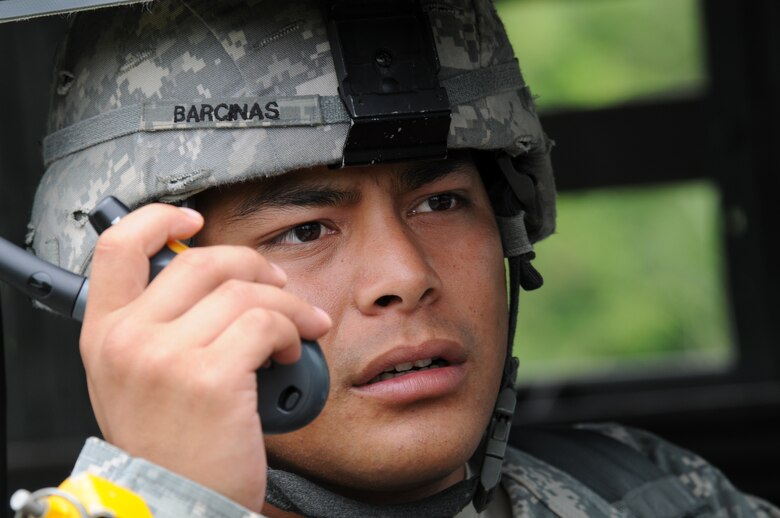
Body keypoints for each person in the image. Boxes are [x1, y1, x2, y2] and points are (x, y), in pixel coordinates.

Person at [20, 0, 779, 516]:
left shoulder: (656, 495)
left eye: (441, 202)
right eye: (307, 228)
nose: (405, 277)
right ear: (149, 291)